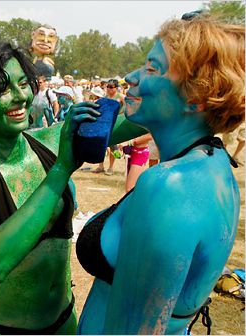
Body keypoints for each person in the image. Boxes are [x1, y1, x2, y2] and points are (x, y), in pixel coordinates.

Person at [76, 13, 244, 334]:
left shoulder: (170, 187)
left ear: (195, 97)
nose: (130, 76)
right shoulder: (213, 162)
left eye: (152, 68)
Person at [0, 41, 99, 334]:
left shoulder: (53, 140)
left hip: (64, 318)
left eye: (24, 83)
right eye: (2, 89)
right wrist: (61, 170)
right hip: (1, 327)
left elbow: (137, 123)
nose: (20, 96)